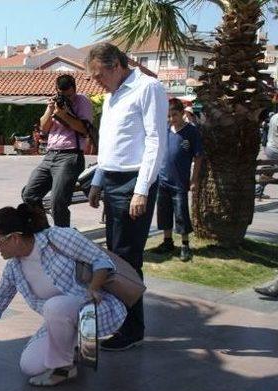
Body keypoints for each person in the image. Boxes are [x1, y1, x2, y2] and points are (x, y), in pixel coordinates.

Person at [0, 204, 126, 386]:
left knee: (54, 307)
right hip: (59, 320)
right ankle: (72, 349)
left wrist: (94, 286)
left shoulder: (57, 238)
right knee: (29, 366)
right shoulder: (14, 268)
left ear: (14, 238)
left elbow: (101, 259)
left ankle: (64, 369)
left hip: (93, 310)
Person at [86, 43, 167, 351]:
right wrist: (97, 180)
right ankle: (121, 322)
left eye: (98, 75)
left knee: (127, 260)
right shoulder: (111, 95)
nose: (96, 81)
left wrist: (141, 190)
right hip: (113, 180)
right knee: (115, 256)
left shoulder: (148, 88)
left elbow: (155, 141)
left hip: (134, 181)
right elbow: (109, 144)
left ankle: (131, 330)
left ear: (116, 65)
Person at [22, 74, 92, 227]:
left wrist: (63, 114)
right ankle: (44, 231)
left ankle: (62, 239)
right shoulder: (55, 102)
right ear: (57, 91)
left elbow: (84, 130)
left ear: (75, 89)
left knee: (58, 203)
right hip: (50, 155)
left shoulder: (82, 101)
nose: (67, 98)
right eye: (63, 94)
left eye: (69, 95)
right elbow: (44, 128)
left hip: (70, 156)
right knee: (29, 194)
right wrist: (50, 109)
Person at [153, 98, 204, 262]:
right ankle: (167, 241)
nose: (171, 119)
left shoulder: (191, 132)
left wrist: (194, 179)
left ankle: (185, 244)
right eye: (168, 116)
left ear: (182, 113)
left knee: (181, 213)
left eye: (174, 115)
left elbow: (198, 157)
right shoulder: (165, 130)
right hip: (162, 179)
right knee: (164, 212)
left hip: (180, 182)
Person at [255, 111, 278, 199]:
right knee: (271, 169)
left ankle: (258, 190)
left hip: (271, 147)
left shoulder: (274, 116)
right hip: (276, 149)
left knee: (270, 170)